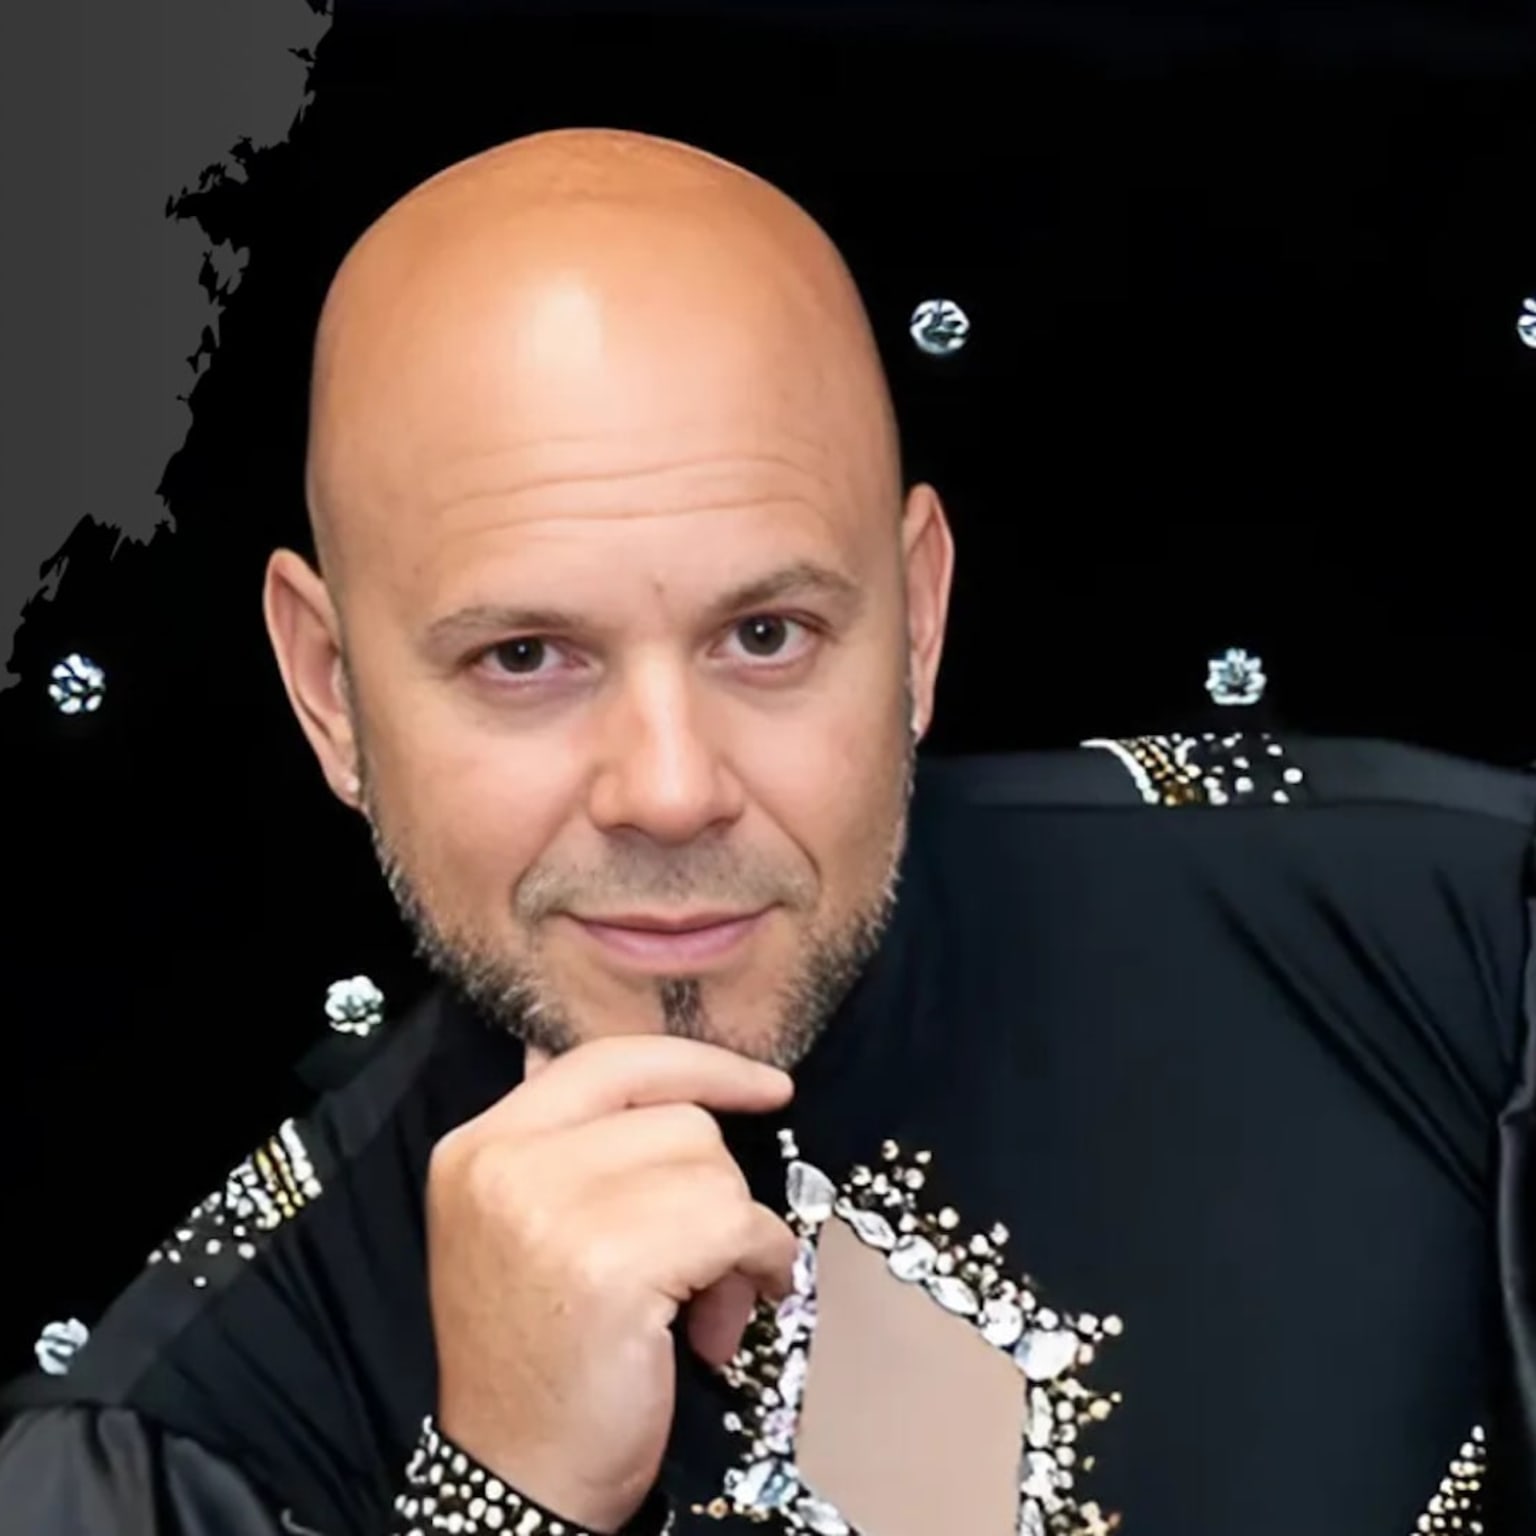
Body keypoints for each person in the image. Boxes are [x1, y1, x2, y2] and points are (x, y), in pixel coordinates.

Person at [1, 125, 1534, 1536]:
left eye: (766, 636)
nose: (671, 789)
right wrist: (503, 1502)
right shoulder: (183, 1446)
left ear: (918, 617)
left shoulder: (1461, 947)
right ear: (331, 691)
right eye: (525, 658)